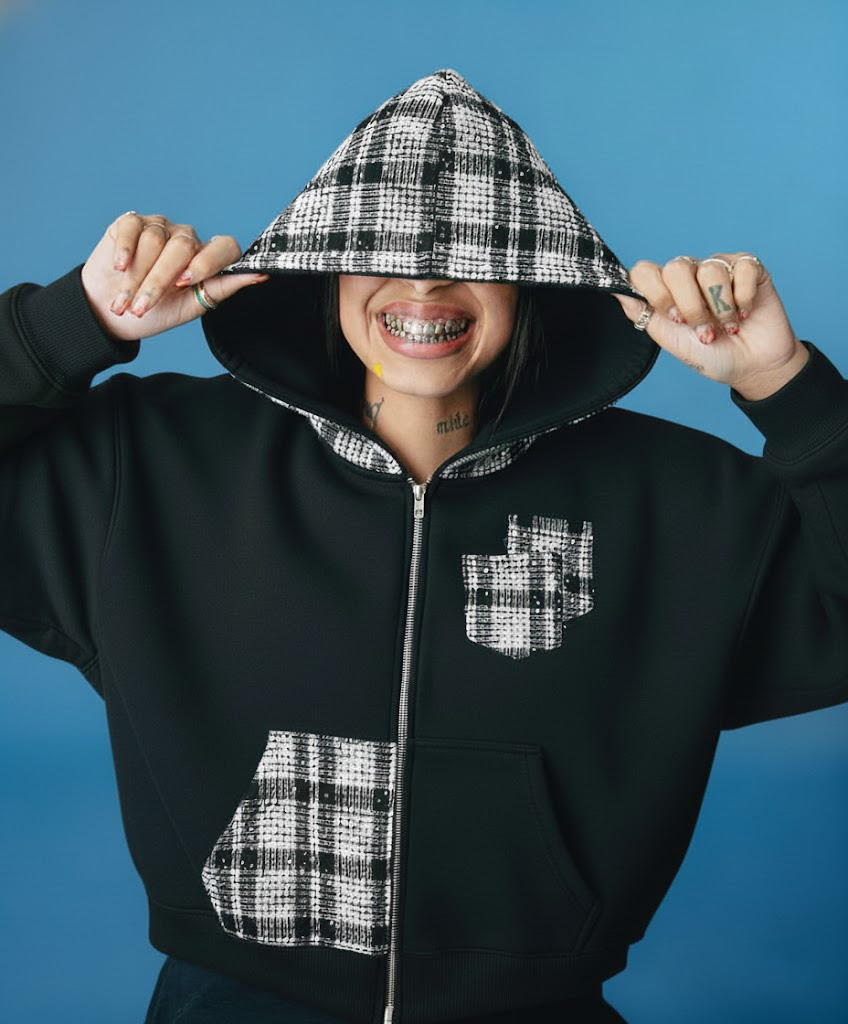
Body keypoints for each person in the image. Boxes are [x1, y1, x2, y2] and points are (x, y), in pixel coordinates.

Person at [1, 67, 846, 1024]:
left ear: (532, 280)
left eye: (471, 255)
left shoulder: (686, 501)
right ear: (326, 268)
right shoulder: (147, 463)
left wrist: (785, 383)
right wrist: (71, 325)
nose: (424, 285)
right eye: (378, 249)